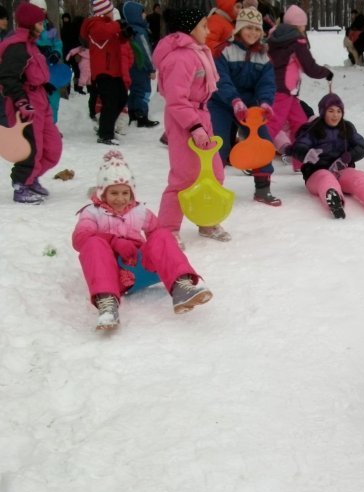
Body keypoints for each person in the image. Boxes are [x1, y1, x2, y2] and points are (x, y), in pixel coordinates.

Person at [72, 151, 213, 331]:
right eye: (113, 193)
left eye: (125, 193)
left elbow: (158, 236)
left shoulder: (139, 211)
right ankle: (107, 304)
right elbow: (80, 239)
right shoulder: (92, 213)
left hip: (140, 268)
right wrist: (113, 241)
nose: (120, 198)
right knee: (92, 243)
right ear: (102, 193)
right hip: (112, 275)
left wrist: (166, 249)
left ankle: (181, 288)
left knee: (162, 235)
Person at [153, 8, 230, 245]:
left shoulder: (197, 52)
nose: (208, 31)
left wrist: (201, 122)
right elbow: (176, 99)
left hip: (201, 116)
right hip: (183, 122)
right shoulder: (179, 58)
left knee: (214, 172)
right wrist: (194, 126)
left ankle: (206, 219)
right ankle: (167, 229)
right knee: (184, 176)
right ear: (189, 29)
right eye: (204, 26)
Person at [210, 7, 280, 205]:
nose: (253, 33)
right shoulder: (224, 50)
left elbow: (267, 83)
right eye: (248, 28)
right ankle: (213, 188)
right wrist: (234, 100)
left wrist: (265, 102)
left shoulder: (263, 55)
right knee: (219, 143)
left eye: (257, 29)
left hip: (249, 106)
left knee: (262, 142)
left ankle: (262, 189)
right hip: (222, 102)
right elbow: (221, 79)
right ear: (239, 29)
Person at [291, 93, 364, 219]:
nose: (335, 115)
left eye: (339, 111)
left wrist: (348, 156)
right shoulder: (312, 129)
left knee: (357, 176)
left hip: (341, 170)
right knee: (325, 178)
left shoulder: (347, 128)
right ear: (323, 112)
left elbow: (362, 147)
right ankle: (334, 201)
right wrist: (306, 153)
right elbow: (298, 147)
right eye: (331, 111)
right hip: (316, 173)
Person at [0, 2, 62, 204]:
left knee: (52, 146)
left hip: (40, 98)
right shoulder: (17, 46)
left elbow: (32, 72)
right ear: (30, 23)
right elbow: (8, 77)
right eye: (39, 23)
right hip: (26, 102)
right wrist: (21, 102)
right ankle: (21, 185)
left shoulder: (31, 44)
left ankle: (31, 177)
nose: (42, 26)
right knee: (31, 146)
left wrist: (44, 85)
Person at [266, 5, 333, 153]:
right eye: (304, 25)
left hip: (285, 90)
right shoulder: (296, 42)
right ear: (298, 25)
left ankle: (300, 158)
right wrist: (326, 72)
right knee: (273, 124)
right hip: (283, 90)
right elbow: (309, 67)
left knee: (300, 123)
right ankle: (256, 155)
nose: (304, 28)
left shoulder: (274, 38)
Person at [80, 0, 129, 144]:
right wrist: (118, 24)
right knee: (110, 101)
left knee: (121, 97)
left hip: (114, 70)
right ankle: (105, 134)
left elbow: (115, 39)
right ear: (104, 12)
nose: (112, 13)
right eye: (110, 10)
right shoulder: (94, 24)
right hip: (103, 71)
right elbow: (102, 33)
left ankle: (105, 126)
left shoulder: (108, 25)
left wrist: (125, 34)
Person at [122, 1, 159, 127]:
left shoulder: (128, 29)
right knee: (144, 91)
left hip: (131, 66)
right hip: (141, 66)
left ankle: (133, 113)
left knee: (134, 90)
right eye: (142, 12)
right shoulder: (140, 32)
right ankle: (142, 115)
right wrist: (151, 68)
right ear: (135, 15)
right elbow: (146, 51)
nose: (145, 15)